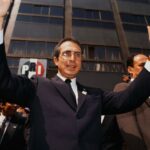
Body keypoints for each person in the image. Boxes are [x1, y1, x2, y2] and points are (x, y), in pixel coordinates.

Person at [1, 1, 150, 150]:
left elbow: (129, 98)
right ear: (56, 60)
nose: (73, 58)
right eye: (67, 54)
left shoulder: (95, 96)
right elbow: (4, 82)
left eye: (77, 54)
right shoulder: (37, 87)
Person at [114, 53, 150, 150]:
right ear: (130, 70)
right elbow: (130, 130)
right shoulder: (123, 88)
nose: (147, 68)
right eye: (142, 65)